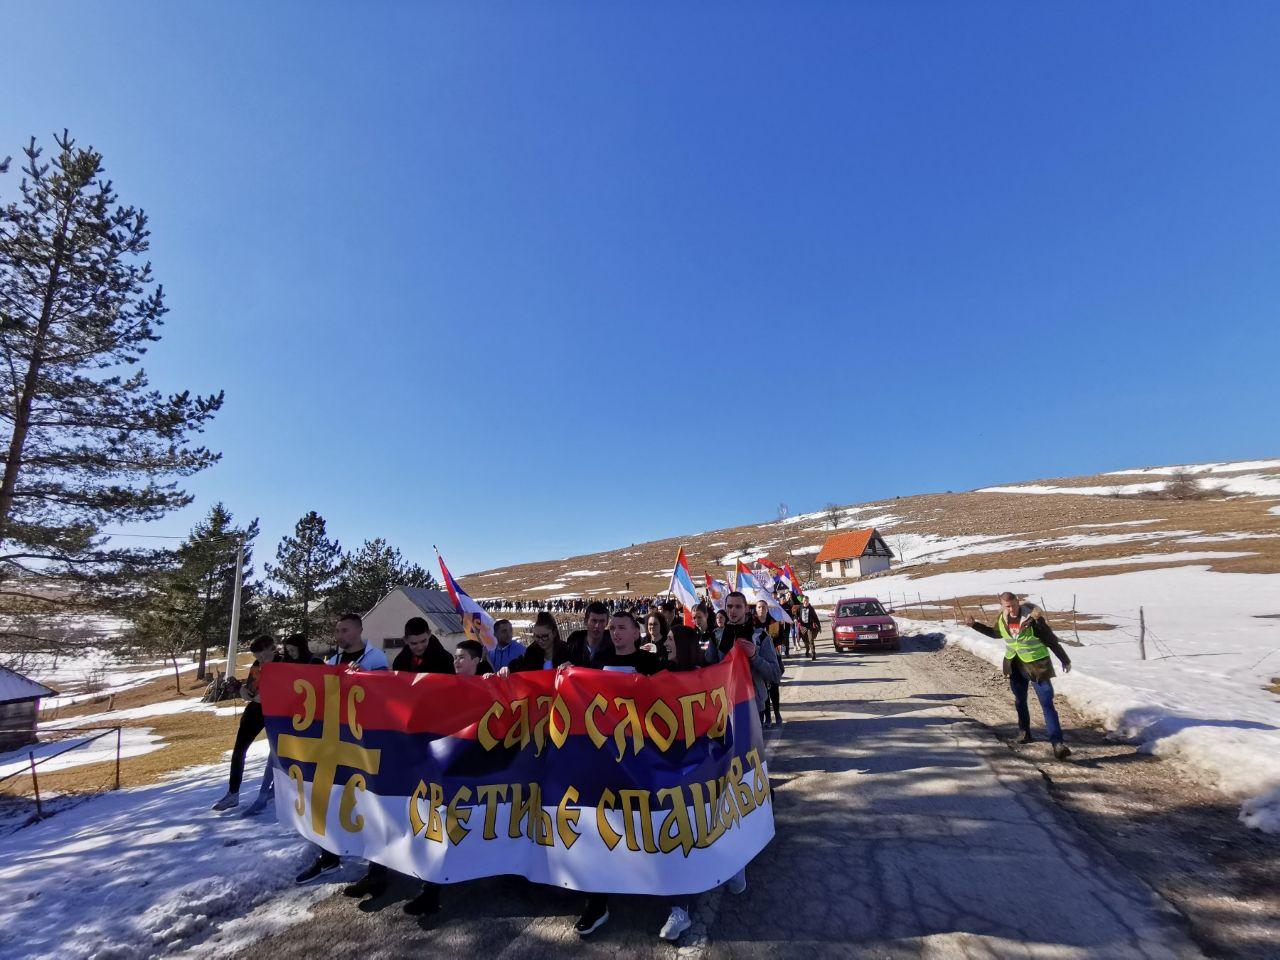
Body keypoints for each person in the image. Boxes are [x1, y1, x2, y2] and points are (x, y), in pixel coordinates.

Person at [573, 611, 667, 939]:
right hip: (606, 757)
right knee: (603, 827)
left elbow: (668, 696)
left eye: (621, 627)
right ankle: (597, 902)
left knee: (649, 822)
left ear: (636, 632)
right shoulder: (601, 660)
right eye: (612, 628)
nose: (614, 632)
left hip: (643, 756)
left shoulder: (649, 661)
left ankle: (667, 890)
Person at [350, 617, 454, 913]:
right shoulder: (401, 658)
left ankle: (431, 890)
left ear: (429, 636)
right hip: (403, 745)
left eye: (422, 641)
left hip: (433, 747)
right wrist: (362, 679)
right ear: (406, 640)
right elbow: (388, 691)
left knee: (431, 816)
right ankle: (377, 874)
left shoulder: (443, 660)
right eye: (413, 643)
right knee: (388, 807)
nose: (418, 647)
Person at [296, 614, 389, 885]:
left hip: (364, 741)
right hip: (335, 740)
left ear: (359, 630)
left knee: (368, 802)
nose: (340, 635)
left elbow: (384, 696)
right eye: (337, 630)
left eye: (345, 630)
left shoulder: (376, 659)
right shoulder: (333, 662)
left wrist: (361, 680)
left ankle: (378, 867)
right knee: (330, 799)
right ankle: (328, 855)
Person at [966, 593, 1074, 759]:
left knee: (1047, 703)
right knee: (1020, 700)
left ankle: (1057, 743)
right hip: (1015, 665)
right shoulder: (1003, 619)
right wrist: (975, 625)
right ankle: (1024, 732)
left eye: (1013, 605)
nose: (1011, 609)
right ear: (1002, 605)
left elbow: (1051, 640)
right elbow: (996, 633)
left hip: (1037, 666)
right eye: (1007, 606)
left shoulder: (1034, 619)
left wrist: (1064, 660)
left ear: (1018, 602)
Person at [211, 635, 277, 811]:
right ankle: (233, 793)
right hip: (255, 711)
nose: (260, 660)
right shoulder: (257, 666)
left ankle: (276, 789)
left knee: (278, 753)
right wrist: (243, 691)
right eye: (257, 656)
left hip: (277, 714)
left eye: (263, 655)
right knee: (239, 750)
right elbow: (252, 687)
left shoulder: (284, 663)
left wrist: (271, 697)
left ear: (272, 648)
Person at [754, 600, 786, 727]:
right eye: (759, 607)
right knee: (763, 689)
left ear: (767, 609)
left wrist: (770, 640)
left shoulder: (773, 622)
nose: (761, 609)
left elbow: (782, 637)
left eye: (763, 607)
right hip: (760, 659)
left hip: (773, 657)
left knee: (774, 687)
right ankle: (767, 717)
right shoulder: (752, 624)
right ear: (756, 610)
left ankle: (777, 713)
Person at [566, 600, 614, 666]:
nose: (597, 626)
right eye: (594, 621)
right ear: (586, 621)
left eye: (602, 621)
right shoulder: (573, 646)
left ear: (607, 623)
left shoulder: (614, 647)